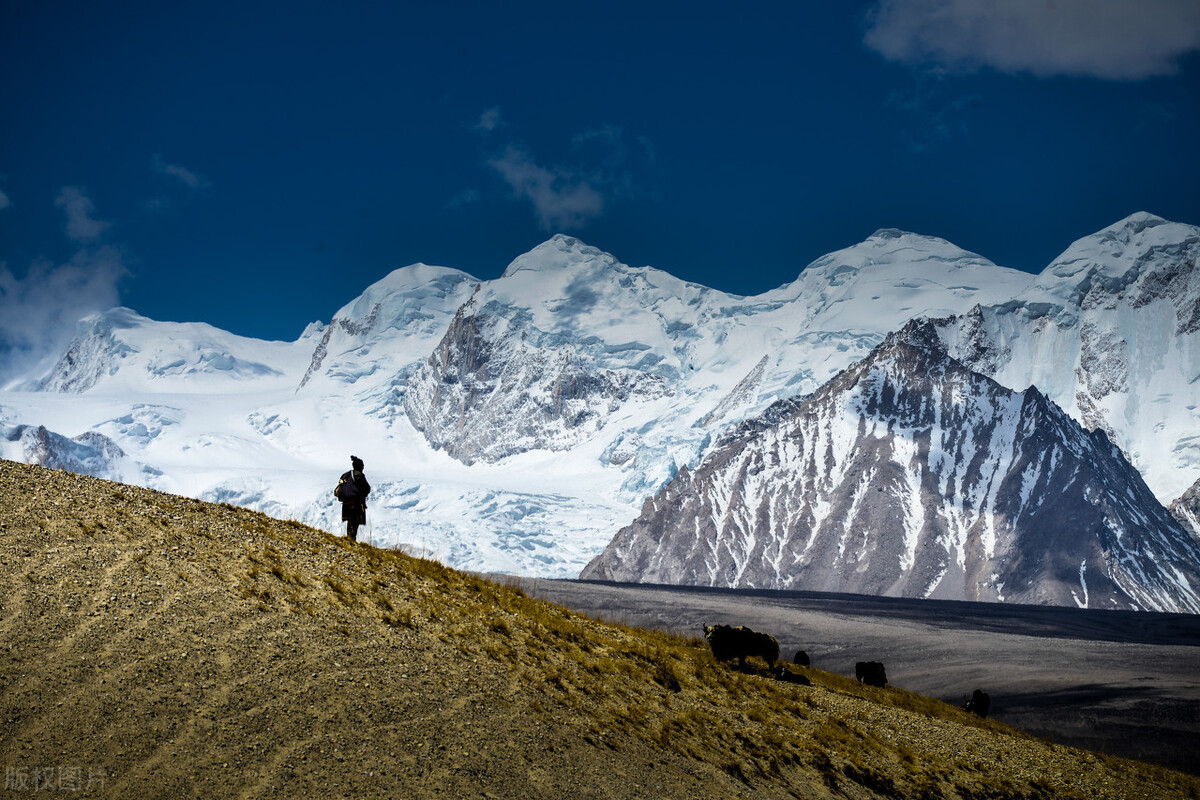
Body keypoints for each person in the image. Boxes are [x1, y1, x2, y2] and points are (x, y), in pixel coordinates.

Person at [335, 455, 371, 542]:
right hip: (356, 503)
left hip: (346, 503)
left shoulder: (346, 475)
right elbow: (367, 489)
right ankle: (351, 540)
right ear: (360, 467)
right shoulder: (359, 476)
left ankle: (349, 538)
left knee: (350, 522)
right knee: (355, 522)